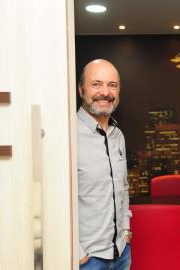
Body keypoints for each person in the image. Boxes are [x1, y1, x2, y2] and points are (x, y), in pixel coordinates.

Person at [77, 59, 132, 270]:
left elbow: (123, 188)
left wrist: (126, 233)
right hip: (88, 259)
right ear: (82, 89)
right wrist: (78, 253)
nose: (105, 92)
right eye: (96, 84)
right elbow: (57, 200)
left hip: (121, 253)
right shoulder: (68, 135)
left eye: (112, 85)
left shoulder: (118, 136)